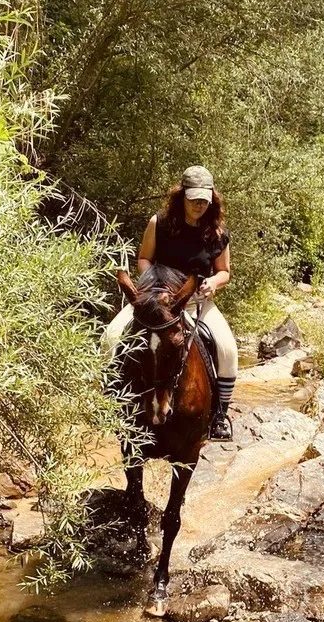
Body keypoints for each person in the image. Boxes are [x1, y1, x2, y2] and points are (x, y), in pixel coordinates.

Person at [105, 165, 237, 440]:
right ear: (182, 197)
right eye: (194, 200)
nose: (200, 205)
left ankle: (220, 416)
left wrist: (213, 282)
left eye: (204, 200)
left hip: (195, 302)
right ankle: (108, 402)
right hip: (156, 302)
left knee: (227, 348)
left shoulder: (218, 233)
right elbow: (144, 258)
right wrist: (154, 285)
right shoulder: (159, 223)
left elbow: (224, 271)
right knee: (111, 336)